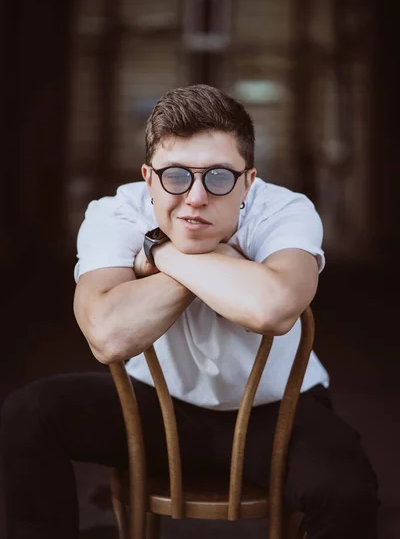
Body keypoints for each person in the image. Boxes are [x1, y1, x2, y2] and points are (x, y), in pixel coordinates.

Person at [1, 84, 378, 538]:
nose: (196, 198)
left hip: (276, 409)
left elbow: (273, 309)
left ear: (248, 182)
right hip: (156, 410)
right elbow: (107, 334)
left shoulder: (285, 210)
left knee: (348, 492)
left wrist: (163, 254)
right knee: (28, 415)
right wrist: (225, 263)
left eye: (219, 177)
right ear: (148, 177)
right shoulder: (115, 213)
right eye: (175, 176)